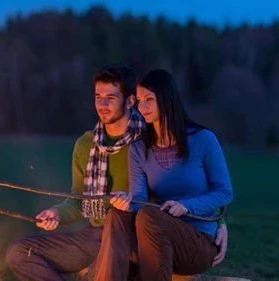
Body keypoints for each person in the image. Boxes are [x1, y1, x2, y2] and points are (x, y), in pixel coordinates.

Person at [91, 69, 233, 281]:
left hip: (198, 241)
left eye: (149, 99)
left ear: (167, 99)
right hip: (156, 240)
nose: (142, 107)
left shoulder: (203, 139)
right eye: (139, 100)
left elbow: (224, 192)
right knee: (116, 215)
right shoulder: (139, 149)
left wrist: (187, 206)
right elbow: (139, 198)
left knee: (149, 216)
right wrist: (127, 202)